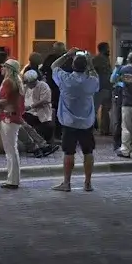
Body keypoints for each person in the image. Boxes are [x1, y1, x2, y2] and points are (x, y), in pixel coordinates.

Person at [51, 48, 100, 192]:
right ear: (86, 67)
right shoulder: (91, 81)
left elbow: (54, 66)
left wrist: (67, 54)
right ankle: (88, 183)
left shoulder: (65, 79)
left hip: (69, 122)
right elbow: (96, 78)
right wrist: (90, 63)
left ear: (73, 66)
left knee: (68, 152)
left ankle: (67, 182)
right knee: (88, 152)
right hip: (86, 122)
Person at [0, 59, 25, 189]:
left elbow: (5, 100)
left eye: (4, 67)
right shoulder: (17, 82)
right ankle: (13, 178)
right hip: (14, 117)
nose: (2, 69)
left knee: (10, 150)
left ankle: (12, 180)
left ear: (9, 69)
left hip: (8, 117)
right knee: (12, 149)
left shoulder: (8, 82)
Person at [23, 69, 55, 142]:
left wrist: (31, 106)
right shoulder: (25, 87)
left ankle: (45, 143)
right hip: (27, 113)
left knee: (48, 127)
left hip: (41, 113)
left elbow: (45, 100)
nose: (28, 84)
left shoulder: (43, 85)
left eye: (29, 83)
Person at [91, 42, 113, 134]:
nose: (109, 50)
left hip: (106, 87)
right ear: (103, 49)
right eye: (107, 48)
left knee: (106, 109)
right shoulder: (97, 59)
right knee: (95, 109)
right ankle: (92, 128)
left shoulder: (106, 59)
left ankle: (104, 130)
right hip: (99, 88)